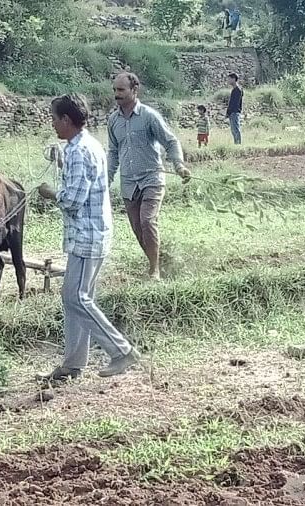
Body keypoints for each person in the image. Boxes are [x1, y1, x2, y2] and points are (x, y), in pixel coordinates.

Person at [35, 93, 140, 382]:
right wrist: (61, 161)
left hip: (86, 236)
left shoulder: (79, 151)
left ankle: (121, 350)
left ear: (66, 120)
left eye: (55, 119)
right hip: (93, 233)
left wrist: (49, 193)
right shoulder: (86, 146)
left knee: (75, 297)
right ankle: (72, 363)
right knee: (76, 299)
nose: (53, 124)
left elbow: (73, 200)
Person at [107, 72, 191, 281]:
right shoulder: (113, 121)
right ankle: (157, 260)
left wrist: (178, 165)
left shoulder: (148, 116)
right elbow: (113, 152)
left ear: (134, 91)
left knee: (147, 220)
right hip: (128, 182)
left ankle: (154, 270)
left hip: (151, 178)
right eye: (115, 90)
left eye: (121, 90)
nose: (116, 94)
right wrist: (106, 180)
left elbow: (170, 141)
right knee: (137, 228)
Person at [227, 72, 243, 145]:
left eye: (229, 79)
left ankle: (238, 144)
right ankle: (236, 144)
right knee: (233, 130)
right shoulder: (234, 90)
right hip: (232, 113)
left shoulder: (238, 90)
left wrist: (231, 111)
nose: (228, 81)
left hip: (235, 112)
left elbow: (235, 103)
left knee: (236, 129)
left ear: (234, 79)